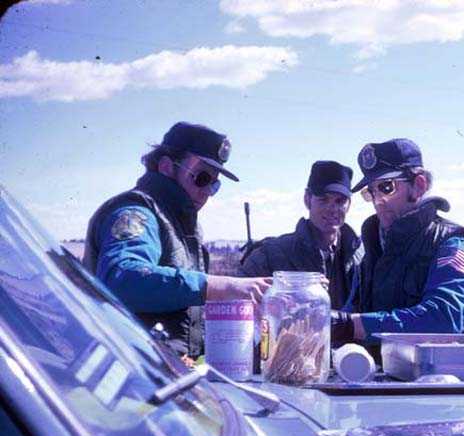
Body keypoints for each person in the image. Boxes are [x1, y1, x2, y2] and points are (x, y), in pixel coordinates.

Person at [83, 122, 271, 358]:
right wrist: (219, 286)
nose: (207, 191)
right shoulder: (136, 213)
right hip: (134, 367)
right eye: (202, 177)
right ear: (166, 167)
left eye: (214, 184)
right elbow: (121, 278)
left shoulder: (182, 225)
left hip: (167, 367)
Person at [332, 138, 464, 348]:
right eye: (371, 192)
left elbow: (442, 320)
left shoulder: (460, 246)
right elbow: (351, 314)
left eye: (387, 187)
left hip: (450, 368)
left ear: (419, 185)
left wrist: (347, 325)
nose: (378, 200)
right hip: (387, 368)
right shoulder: (373, 248)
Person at [240, 160, 363, 309]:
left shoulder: (362, 257)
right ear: (307, 199)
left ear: (349, 204)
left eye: (340, 201)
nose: (332, 209)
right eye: (323, 200)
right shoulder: (270, 256)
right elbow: (239, 303)